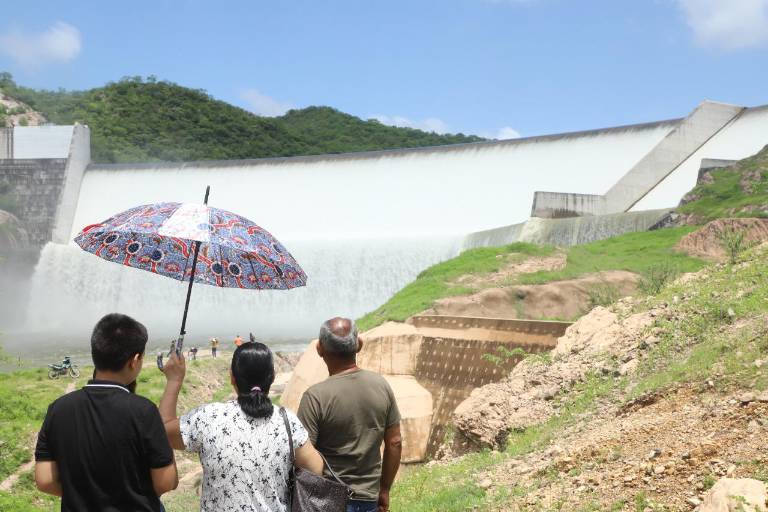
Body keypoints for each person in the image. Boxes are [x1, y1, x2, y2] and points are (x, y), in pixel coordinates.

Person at [34, 313, 177, 511]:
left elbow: (45, 480)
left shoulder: (57, 409)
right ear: (134, 360)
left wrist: (86, 496)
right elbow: (165, 482)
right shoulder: (144, 411)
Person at [159, 341, 324, 511]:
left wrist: (174, 380)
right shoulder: (287, 421)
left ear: (232, 377)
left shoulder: (207, 417)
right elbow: (316, 469)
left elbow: (162, 431)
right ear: (272, 377)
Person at [298, 317, 402, 512]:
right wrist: (385, 489)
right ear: (358, 345)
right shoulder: (381, 386)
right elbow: (395, 442)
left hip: (328, 500)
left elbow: (303, 458)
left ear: (320, 349)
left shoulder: (315, 397)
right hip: (369, 498)